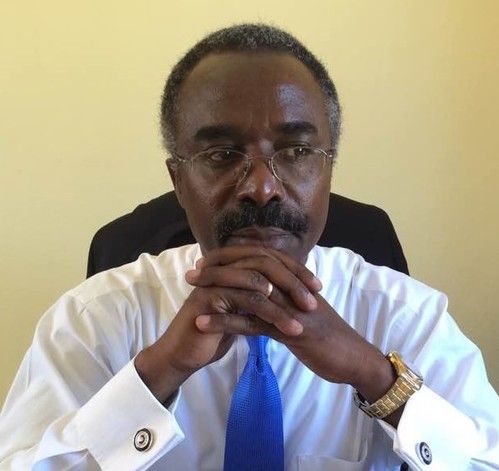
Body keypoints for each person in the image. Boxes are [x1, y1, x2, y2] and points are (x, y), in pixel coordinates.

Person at [0, 23, 498, 470]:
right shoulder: (93, 320)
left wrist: (374, 375)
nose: (262, 188)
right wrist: (159, 372)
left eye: (297, 151)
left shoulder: (407, 316)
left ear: (328, 169)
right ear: (178, 181)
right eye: (221, 154)